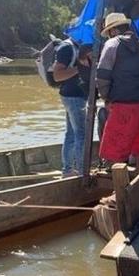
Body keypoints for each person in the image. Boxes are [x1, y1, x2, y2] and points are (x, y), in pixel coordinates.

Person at [97, 12, 139, 173]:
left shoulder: (112, 44)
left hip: (124, 104)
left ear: (113, 30)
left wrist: (106, 98)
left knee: (114, 147)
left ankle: (117, 186)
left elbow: (102, 76)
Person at [52, 37, 92, 176]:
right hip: (73, 96)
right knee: (81, 134)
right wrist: (79, 68)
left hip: (76, 96)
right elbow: (57, 76)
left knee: (71, 133)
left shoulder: (81, 47)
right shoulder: (67, 48)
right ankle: (82, 172)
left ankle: (67, 170)